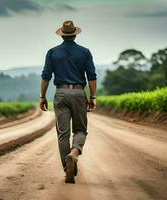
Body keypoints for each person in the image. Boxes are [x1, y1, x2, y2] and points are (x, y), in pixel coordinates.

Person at [39, 20, 97, 184]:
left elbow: (46, 77)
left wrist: (42, 96)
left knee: (62, 134)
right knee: (80, 129)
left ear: (62, 35)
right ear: (75, 34)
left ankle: (67, 167)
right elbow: (91, 76)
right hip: (79, 92)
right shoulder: (84, 52)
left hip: (61, 93)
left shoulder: (52, 52)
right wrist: (92, 97)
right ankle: (74, 154)